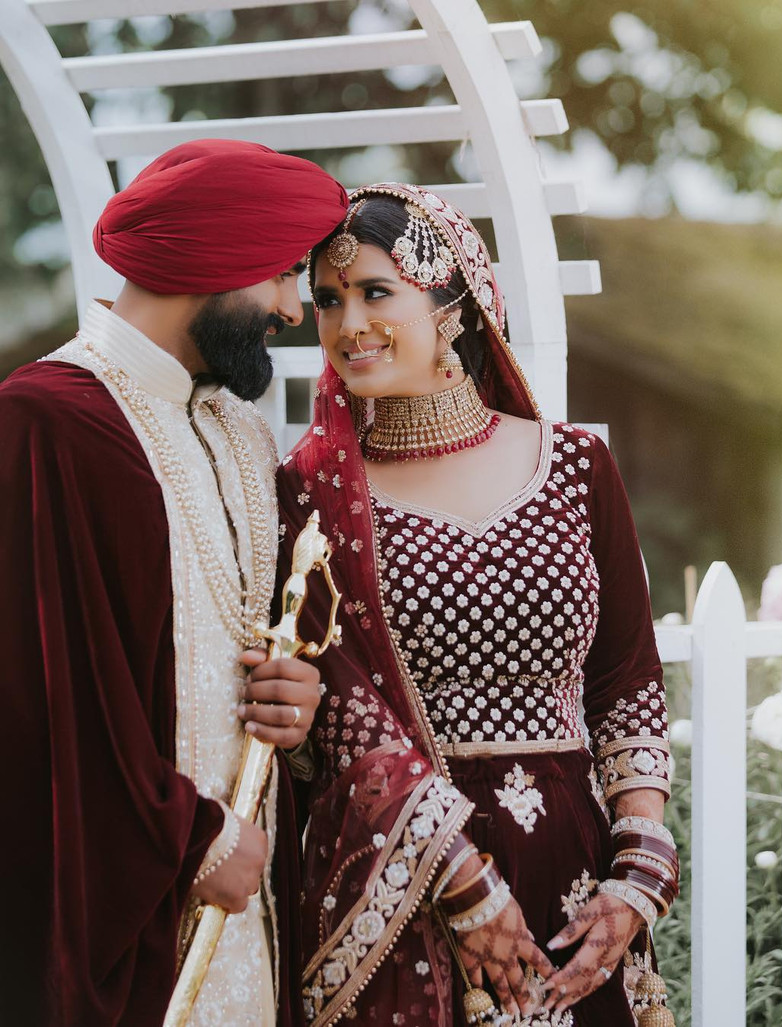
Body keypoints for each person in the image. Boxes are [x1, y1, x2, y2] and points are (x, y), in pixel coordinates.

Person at [276, 185, 678, 1026]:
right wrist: (459, 879)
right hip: (405, 881)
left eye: (377, 292)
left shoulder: (573, 464)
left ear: (452, 301)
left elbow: (625, 672)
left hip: (573, 876)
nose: (349, 324)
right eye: (327, 299)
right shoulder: (316, 492)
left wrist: (639, 867)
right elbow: (344, 709)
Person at [0, 139, 349, 1026]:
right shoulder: (44, 425)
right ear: (209, 261)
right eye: (278, 275)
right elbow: (44, 707)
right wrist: (194, 842)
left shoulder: (242, 434)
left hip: (247, 924)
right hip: (118, 939)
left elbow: (274, 635)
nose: (287, 307)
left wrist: (295, 700)